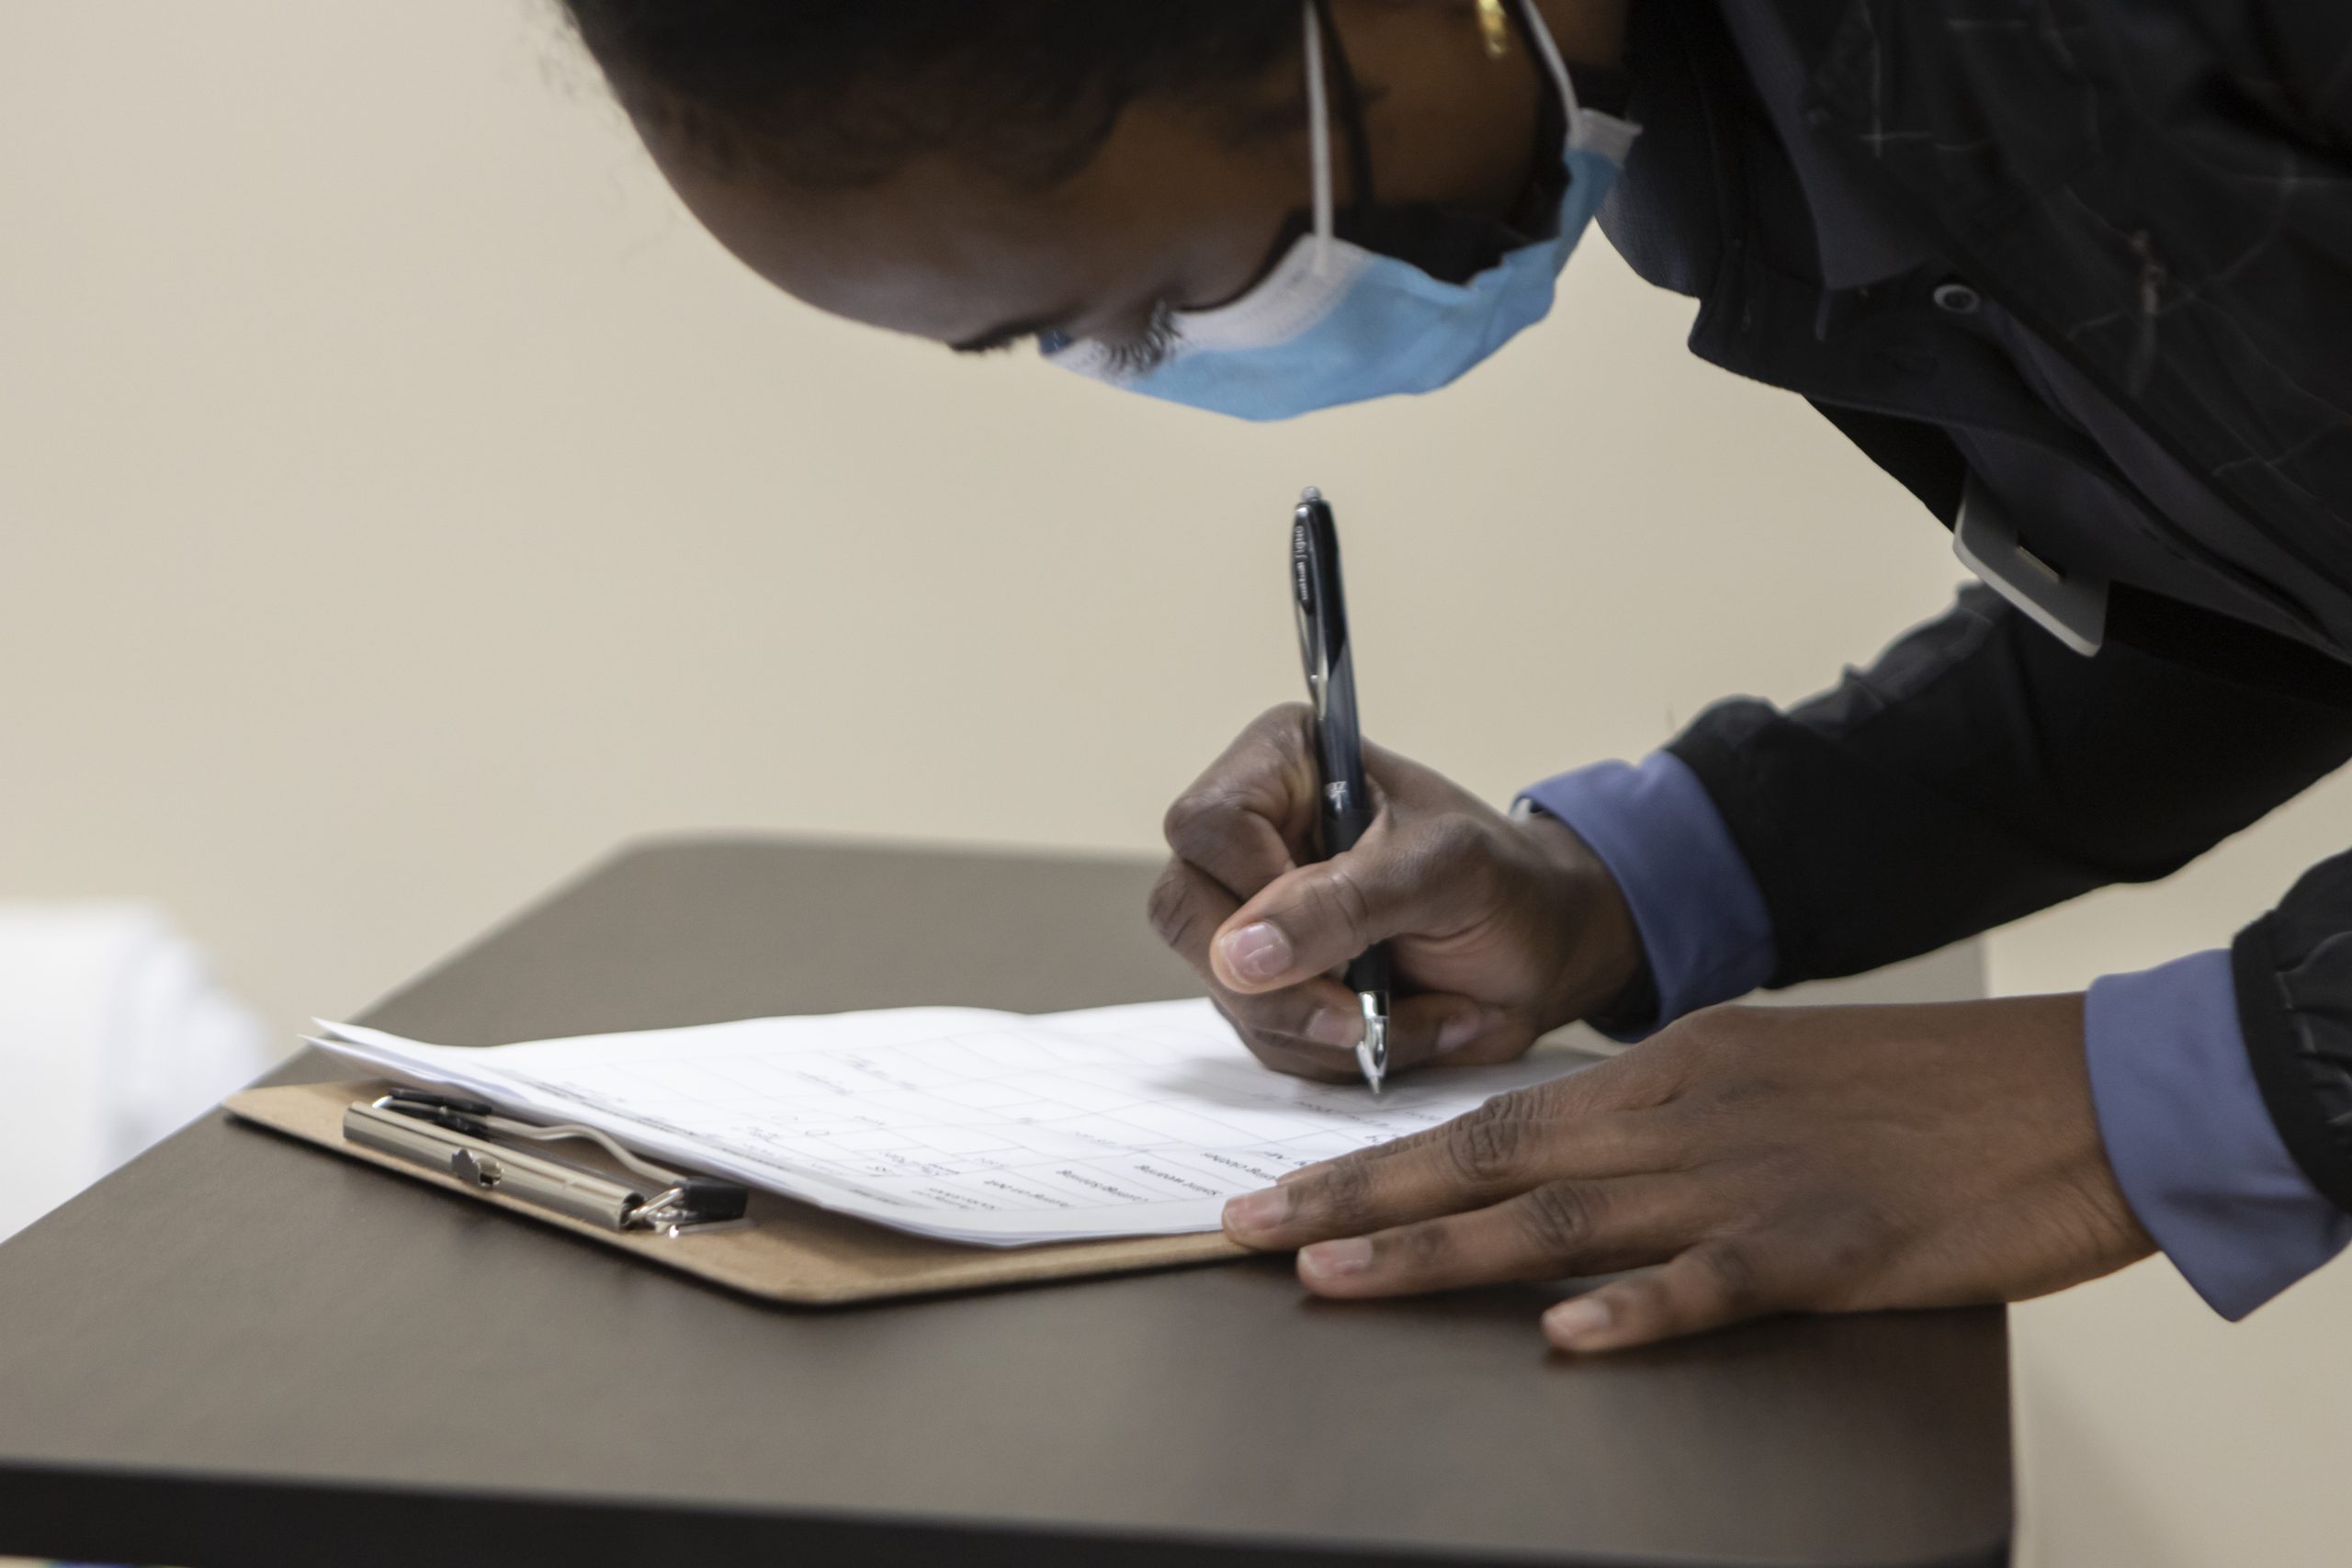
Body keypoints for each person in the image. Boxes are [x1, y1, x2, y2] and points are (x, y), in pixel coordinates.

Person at [558, 0, 2352, 1350]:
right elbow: (2275, 556)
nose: (1137, 367)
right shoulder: (1729, 104)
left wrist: (2154, 1090)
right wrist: (1624, 886)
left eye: (1138, 307)